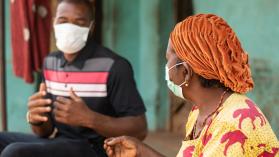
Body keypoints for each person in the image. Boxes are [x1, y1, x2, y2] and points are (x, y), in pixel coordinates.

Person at [103, 14, 279, 157]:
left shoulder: (233, 125)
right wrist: (143, 152)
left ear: (185, 72)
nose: (166, 68)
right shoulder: (201, 111)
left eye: (167, 60)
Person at [0, 0, 147, 157]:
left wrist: (90, 119)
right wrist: (36, 118)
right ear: (54, 22)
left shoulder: (114, 66)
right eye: (63, 20)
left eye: (79, 22)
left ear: (91, 27)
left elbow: (139, 129)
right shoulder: (50, 62)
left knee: (14, 153)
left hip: (95, 149)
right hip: (59, 142)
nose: (69, 27)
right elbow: (45, 131)